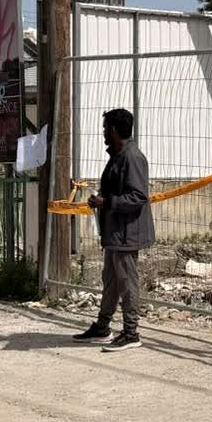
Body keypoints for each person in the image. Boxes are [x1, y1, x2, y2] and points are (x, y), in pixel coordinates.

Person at [73, 108, 152, 351]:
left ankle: (131, 332)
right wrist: (101, 199)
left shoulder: (132, 158)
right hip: (116, 232)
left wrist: (107, 202)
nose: (103, 133)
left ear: (115, 130)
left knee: (127, 282)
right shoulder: (118, 156)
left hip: (127, 232)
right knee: (111, 281)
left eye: (106, 128)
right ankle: (103, 326)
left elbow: (138, 197)